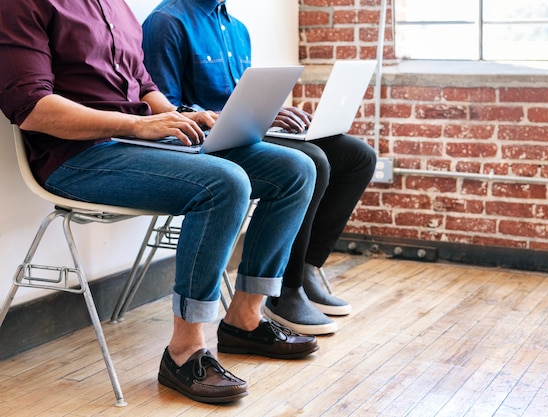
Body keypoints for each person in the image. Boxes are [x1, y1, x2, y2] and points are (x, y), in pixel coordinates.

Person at [0, 0, 320, 405]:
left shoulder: (115, 6)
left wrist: (185, 119)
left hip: (140, 142)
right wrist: (138, 124)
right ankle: (184, 352)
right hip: (78, 157)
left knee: (295, 169)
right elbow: (31, 109)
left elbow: (144, 85)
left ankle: (245, 319)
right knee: (224, 183)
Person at [142, 0, 377, 335]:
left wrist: (270, 112)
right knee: (314, 162)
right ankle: (284, 288)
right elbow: (165, 108)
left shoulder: (237, 29)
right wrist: (220, 116)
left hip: (248, 133)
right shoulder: (166, 22)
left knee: (358, 156)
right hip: (207, 142)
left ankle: (306, 268)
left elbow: (243, 100)